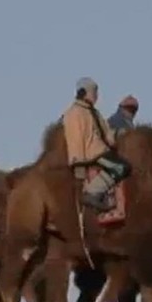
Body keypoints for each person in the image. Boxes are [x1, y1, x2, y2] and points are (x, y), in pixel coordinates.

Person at [62, 77, 131, 212]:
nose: (96, 96)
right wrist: (79, 165)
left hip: (100, 150)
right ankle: (92, 192)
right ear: (83, 92)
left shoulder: (94, 111)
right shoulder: (74, 113)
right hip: (92, 154)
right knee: (122, 167)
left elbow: (107, 132)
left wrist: (120, 135)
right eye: (94, 92)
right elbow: (75, 139)